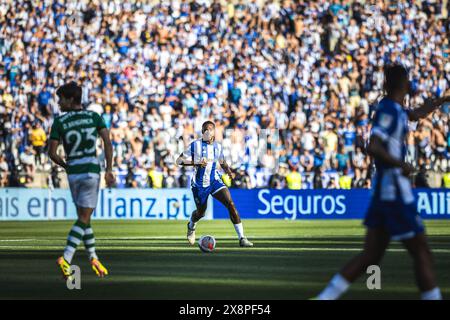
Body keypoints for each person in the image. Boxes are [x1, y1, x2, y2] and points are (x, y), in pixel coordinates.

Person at [316, 64, 450, 300]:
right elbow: (373, 146)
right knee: (422, 252)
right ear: (406, 84)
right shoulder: (388, 110)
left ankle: (325, 298)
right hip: (394, 191)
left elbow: (417, 114)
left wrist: (441, 100)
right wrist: (401, 164)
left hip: (383, 191)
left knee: (371, 256)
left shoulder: (395, 109)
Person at [48, 82, 115, 280]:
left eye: (61, 99)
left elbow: (52, 153)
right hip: (91, 171)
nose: (59, 103)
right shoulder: (94, 116)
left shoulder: (59, 121)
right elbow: (107, 143)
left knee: (84, 217)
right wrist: (109, 169)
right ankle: (66, 258)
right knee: (84, 218)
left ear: (71, 99)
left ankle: (93, 257)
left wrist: (67, 165)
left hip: (73, 173)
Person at [176, 121, 253, 247]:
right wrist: (195, 163)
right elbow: (178, 161)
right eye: (206, 129)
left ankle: (242, 238)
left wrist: (229, 172)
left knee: (230, 204)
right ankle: (191, 225)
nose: (208, 132)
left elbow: (222, 162)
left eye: (210, 129)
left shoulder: (218, 147)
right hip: (200, 185)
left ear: (214, 131)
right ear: (202, 132)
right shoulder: (195, 145)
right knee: (201, 213)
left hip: (214, 181)